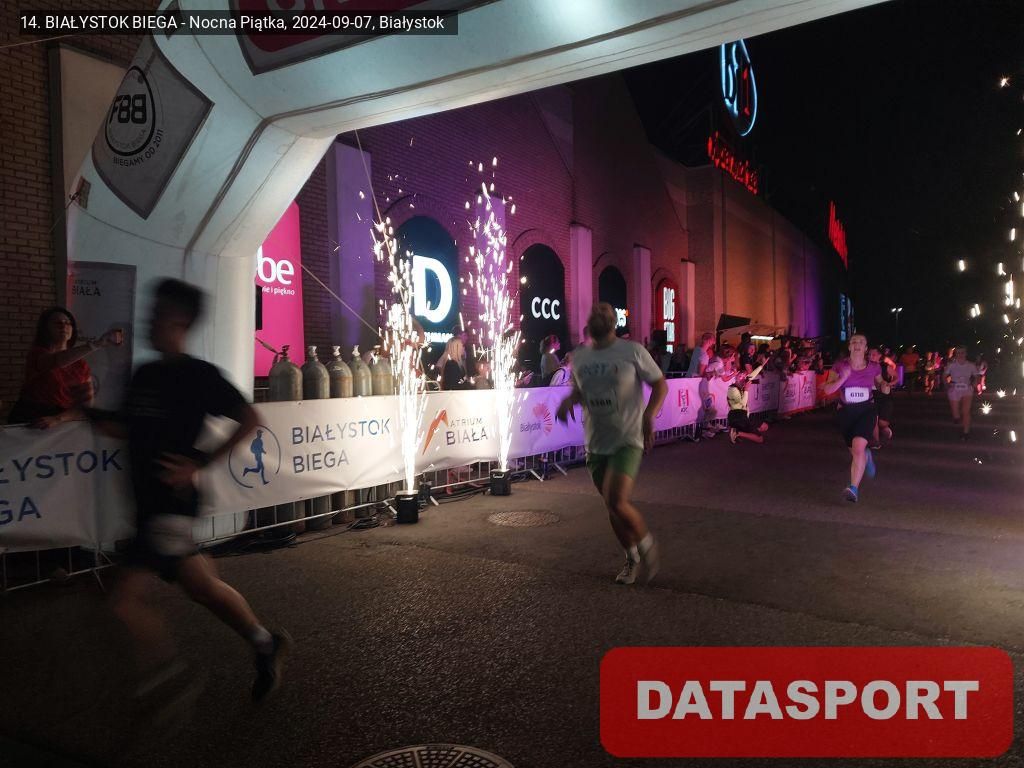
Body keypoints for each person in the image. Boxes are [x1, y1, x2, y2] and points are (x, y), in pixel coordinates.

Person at [86, 279, 290, 716]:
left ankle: (167, 681)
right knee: (203, 588)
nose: (149, 320)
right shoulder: (145, 374)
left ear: (180, 321)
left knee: (122, 601)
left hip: (171, 504)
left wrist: (198, 462)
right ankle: (265, 642)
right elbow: (125, 426)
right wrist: (79, 413)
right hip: (146, 504)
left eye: (157, 313)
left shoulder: (198, 376)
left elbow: (250, 418)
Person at [556, 303, 668, 586]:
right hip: (595, 442)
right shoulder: (580, 357)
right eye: (594, 313)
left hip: (627, 439)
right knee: (612, 506)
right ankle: (631, 559)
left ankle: (647, 544)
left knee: (617, 500)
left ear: (613, 322)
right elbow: (579, 390)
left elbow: (660, 384)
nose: (598, 316)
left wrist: (649, 416)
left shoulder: (632, 351)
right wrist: (569, 401)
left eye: (604, 313)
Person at [9, 307, 122, 426]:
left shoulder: (81, 365)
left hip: (62, 421)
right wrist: (97, 344)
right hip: (32, 419)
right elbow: (56, 361)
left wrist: (58, 419)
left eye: (68, 323)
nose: (63, 326)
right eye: (57, 323)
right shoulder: (37, 354)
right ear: (46, 329)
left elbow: (86, 404)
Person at [824, 333, 890, 502]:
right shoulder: (840, 365)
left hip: (866, 410)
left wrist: (884, 386)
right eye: (854, 341)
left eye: (861, 342)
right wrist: (843, 378)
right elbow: (828, 390)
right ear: (849, 346)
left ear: (866, 348)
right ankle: (866, 457)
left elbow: (880, 383)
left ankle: (853, 488)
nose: (857, 344)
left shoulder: (874, 366)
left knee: (858, 447)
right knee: (855, 451)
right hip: (845, 412)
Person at [728, 362, 769, 444]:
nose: (742, 378)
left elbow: (752, 375)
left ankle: (739, 431)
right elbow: (742, 404)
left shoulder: (742, 385)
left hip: (744, 415)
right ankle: (737, 433)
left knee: (765, 427)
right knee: (760, 439)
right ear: (736, 377)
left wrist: (761, 366)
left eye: (744, 377)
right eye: (740, 376)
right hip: (737, 417)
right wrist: (746, 390)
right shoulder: (732, 389)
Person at [945, 346, 978, 440]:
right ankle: (956, 417)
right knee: (956, 412)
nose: (960, 355)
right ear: (956, 354)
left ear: (966, 354)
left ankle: (966, 432)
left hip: (966, 388)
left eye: (962, 352)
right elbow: (944, 375)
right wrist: (947, 384)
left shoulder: (971, 365)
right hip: (954, 388)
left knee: (965, 411)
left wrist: (974, 383)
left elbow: (976, 375)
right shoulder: (951, 365)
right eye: (958, 353)